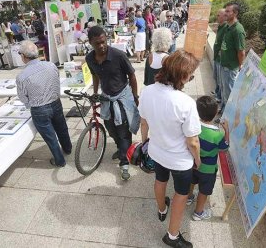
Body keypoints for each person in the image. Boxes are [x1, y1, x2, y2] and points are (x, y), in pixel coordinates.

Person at [139, 50, 201, 248]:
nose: (191, 78)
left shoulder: (147, 91)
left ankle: (161, 209)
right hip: (179, 160)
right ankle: (172, 236)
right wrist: (198, 161)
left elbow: (144, 122)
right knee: (181, 195)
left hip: (157, 151)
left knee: (160, 179)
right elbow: (192, 142)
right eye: (191, 74)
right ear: (183, 76)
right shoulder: (186, 103)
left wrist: (145, 143)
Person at [85, 26, 140, 181]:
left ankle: (124, 161)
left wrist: (135, 96)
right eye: (97, 43)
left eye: (103, 41)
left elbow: (132, 76)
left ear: (106, 39)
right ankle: (122, 149)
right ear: (91, 43)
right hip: (106, 98)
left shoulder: (119, 55)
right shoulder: (89, 59)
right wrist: (95, 93)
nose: (101, 45)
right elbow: (95, 75)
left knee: (123, 130)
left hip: (121, 97)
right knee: (110, 129)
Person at [16, 40, 72, 167]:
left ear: (24, 57)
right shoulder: (51, 65)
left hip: (39, 109)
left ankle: (60, 161)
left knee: (50, 136)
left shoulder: (22, 76)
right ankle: (68, 148)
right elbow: (56, 81)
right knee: (62, 128)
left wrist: (30, 103)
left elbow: (22, 97)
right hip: (56, 103)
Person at [187, 96, 229, 221]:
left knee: (192, 181)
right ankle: (198, 213)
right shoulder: (217, 134)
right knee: (204, 191)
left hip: (193, 163)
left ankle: (189, 197)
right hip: (208, 169)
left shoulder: (193, 127)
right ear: (216, 113)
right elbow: (224, 148)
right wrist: (227, 131)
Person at [219, 3, 246, 114]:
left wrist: (239, 65)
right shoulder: (228, 26)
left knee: (229, 95)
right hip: (224, 64)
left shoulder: (238, 30)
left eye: (228, 11)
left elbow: (241, 51)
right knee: (224, 92)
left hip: (230, 68)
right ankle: (224, 111)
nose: (225, 13)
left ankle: (228, 117)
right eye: (225, 11)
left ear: (235, 13)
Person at [211, 9, 227, 106]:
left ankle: (220, 97)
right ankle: (217, 93)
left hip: (221, 59)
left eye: (218, 15)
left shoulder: (226, 28)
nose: (216, 17)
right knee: (216, 77)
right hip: (216, 57)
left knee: (221, 80)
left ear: (224, 16)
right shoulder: (220, 26)